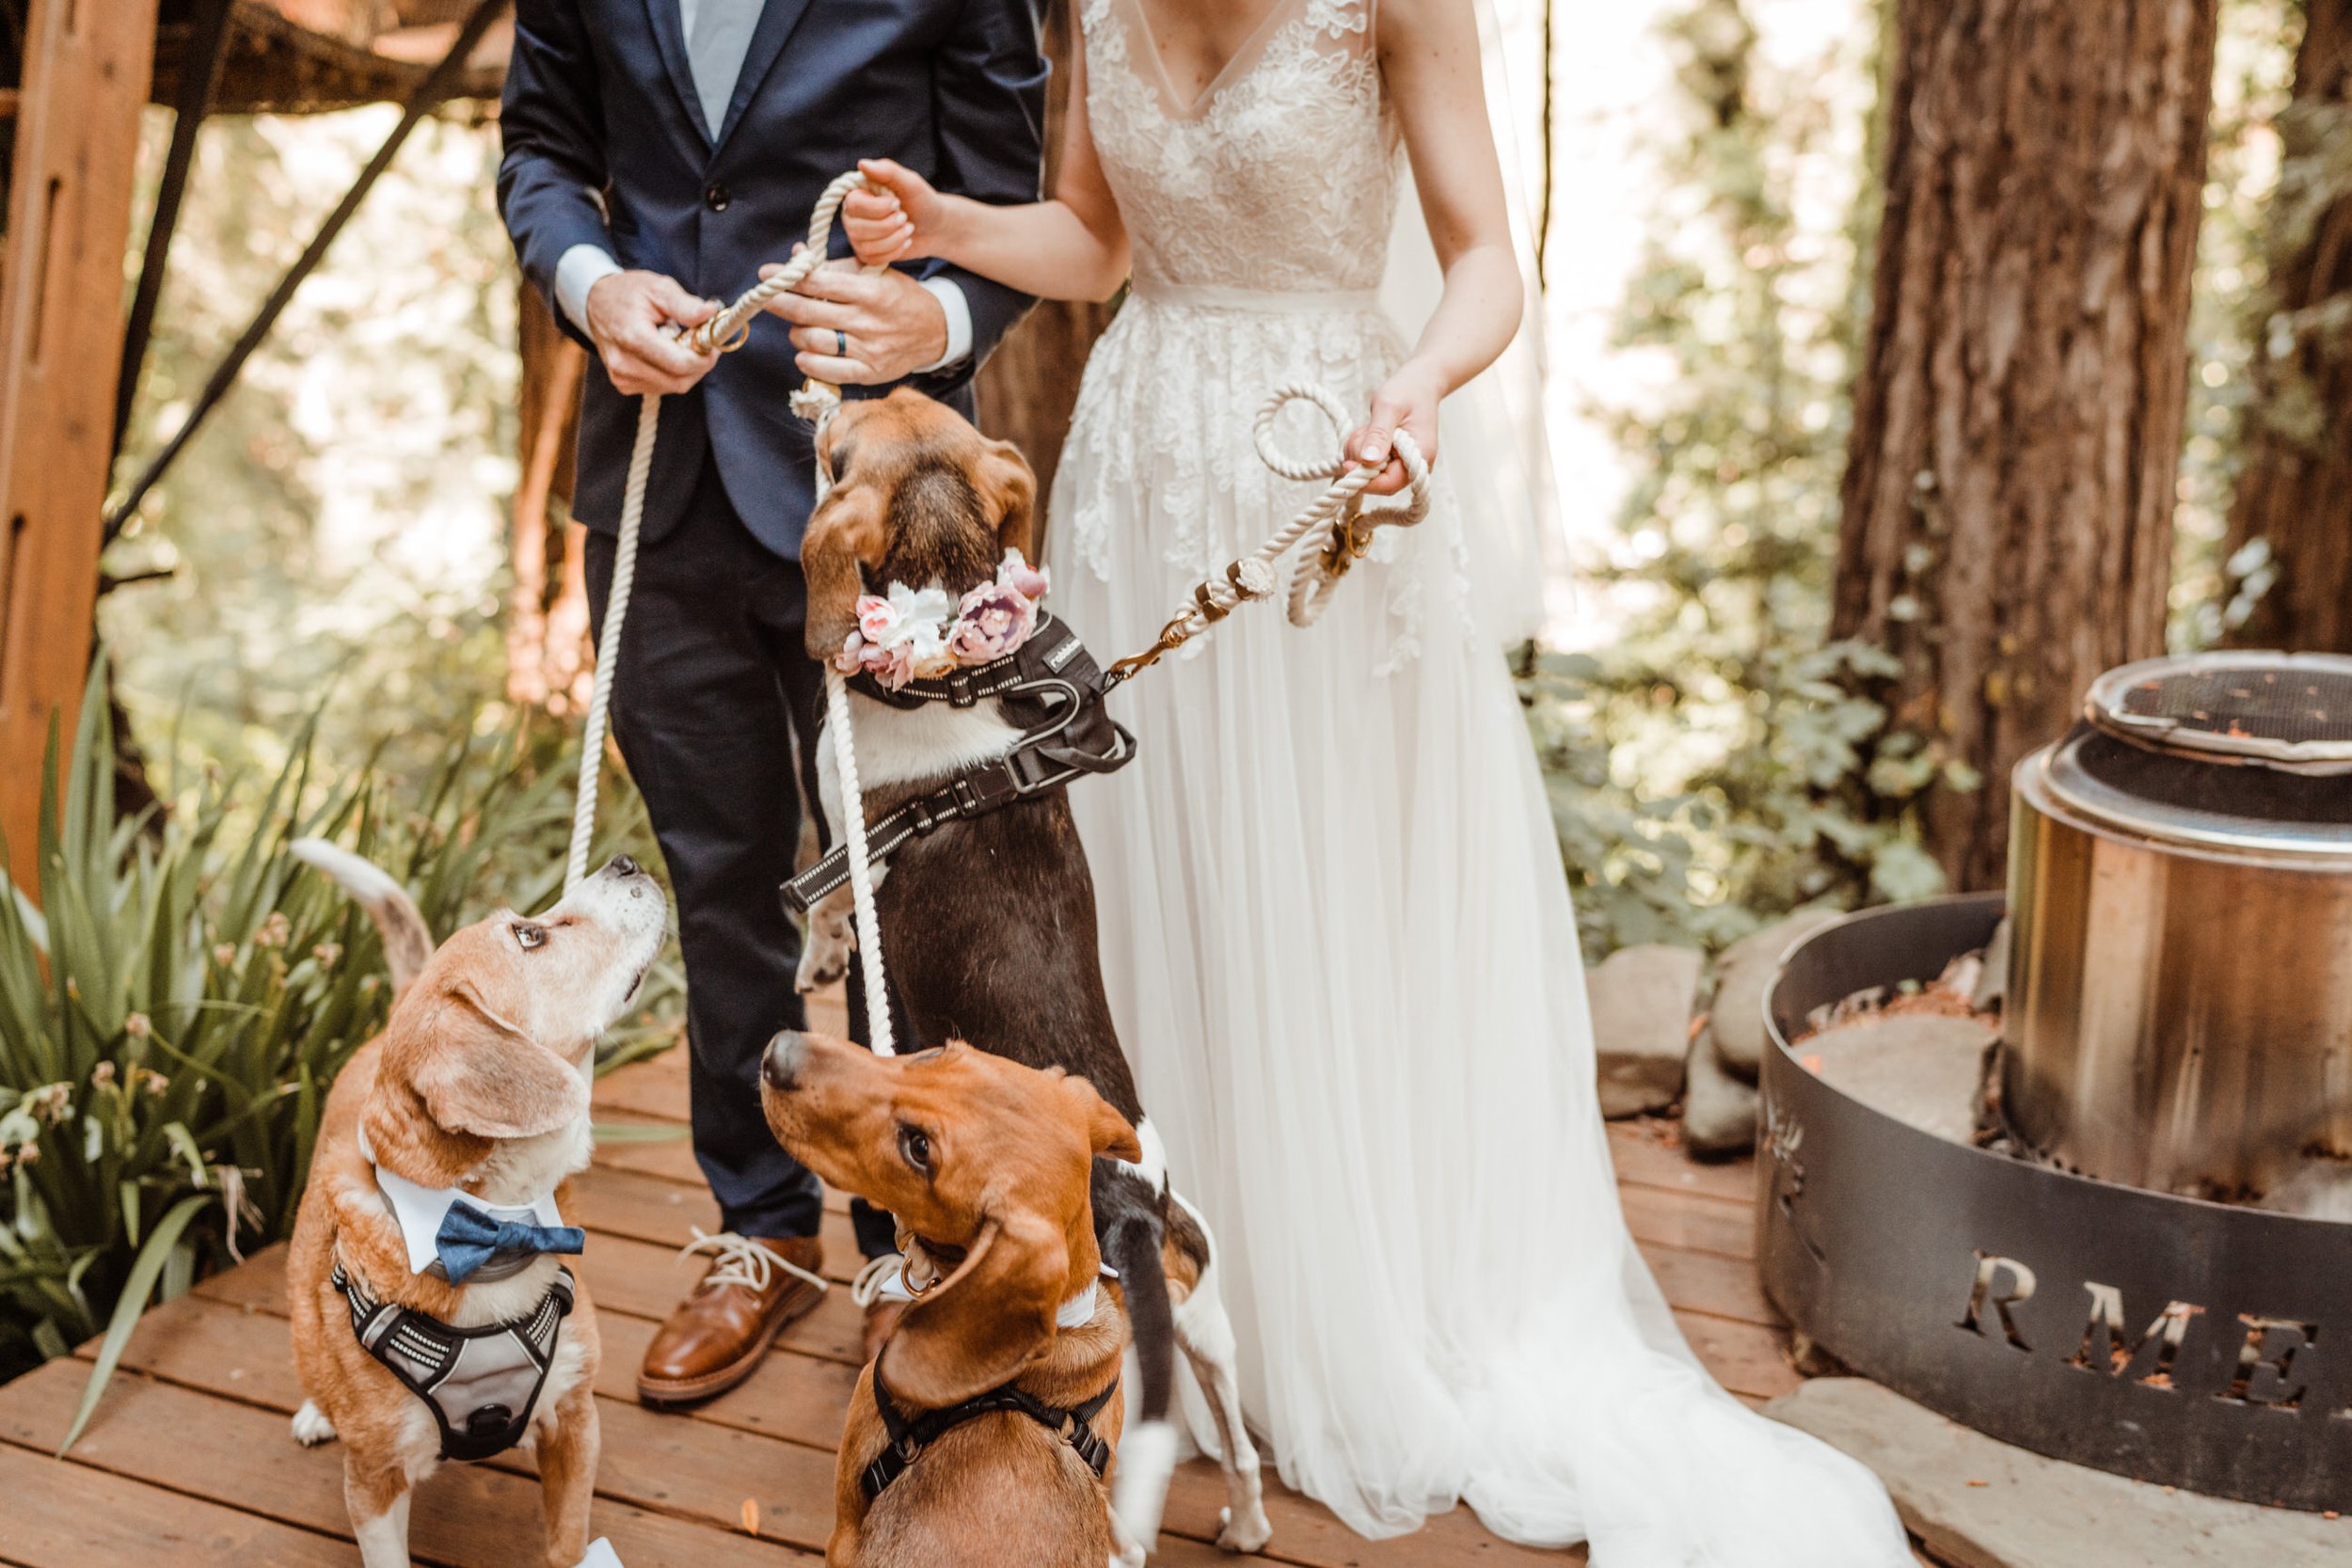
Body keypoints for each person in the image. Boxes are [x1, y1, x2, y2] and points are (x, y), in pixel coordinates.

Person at [838, 0, 1914, 1559]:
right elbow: (1094, 240)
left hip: (1325, 471)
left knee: (1320, 885)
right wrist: (953, 226)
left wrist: (1415, 389)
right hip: (1141, 470)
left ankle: (1349, 1294)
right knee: (1149, 884)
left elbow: (1485, 261)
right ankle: (1180, 1279)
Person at [497, 0, 1045, 1404]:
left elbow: (1012, 200)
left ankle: (909, 1244)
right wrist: (588, 285)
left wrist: (943, 312)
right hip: (659, 491)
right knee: (718, 878)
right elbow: (543, 152)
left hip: (884, 507)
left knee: (903, 883)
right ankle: (757, 1232)